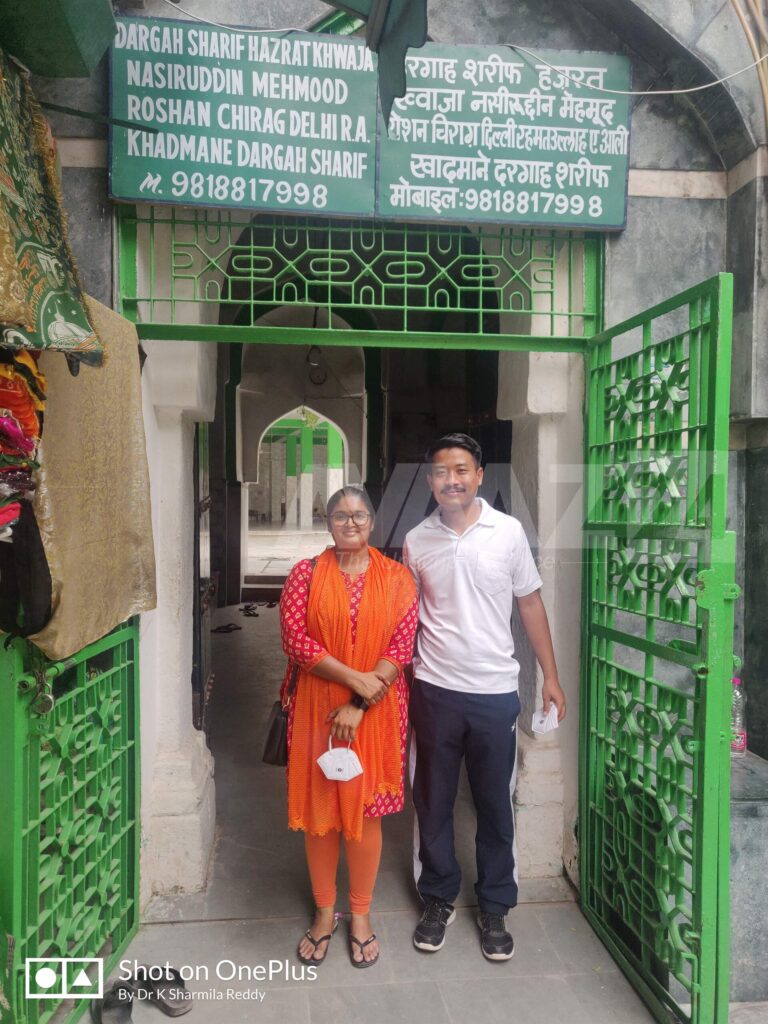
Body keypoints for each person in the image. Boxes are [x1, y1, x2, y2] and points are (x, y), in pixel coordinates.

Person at [403, 433, 566, 961]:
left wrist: (551, 677)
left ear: (479, 476)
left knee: (496, 804)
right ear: (429, 481)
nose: (452, 479)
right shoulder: (416, 540)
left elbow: (532, 606)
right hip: (433, 690)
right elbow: (404, 621)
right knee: (432, 799)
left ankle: (495, 905)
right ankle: (438, 897)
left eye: (462, 469)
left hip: (495, 692)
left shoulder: (509, 533)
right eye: (441, 471)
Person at [279, 484, 418, 968]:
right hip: (318, 706)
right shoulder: (305, 575)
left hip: (374, 712)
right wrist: (352, 676)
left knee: (366, 814)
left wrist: (360, 698)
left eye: (359, 516)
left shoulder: (398, 577)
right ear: (328, 523)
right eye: (341, 516)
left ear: (373, 523)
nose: (351, 523)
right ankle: (323, 913)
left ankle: (359, 914)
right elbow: (295, 640)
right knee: (322, 815)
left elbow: (400, 648)